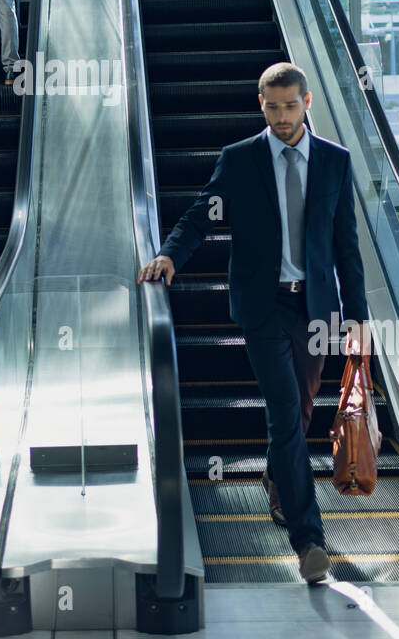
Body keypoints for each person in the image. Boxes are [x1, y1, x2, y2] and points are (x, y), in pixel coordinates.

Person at [138, 63, 371, 585]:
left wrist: (357, 318)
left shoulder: (335, 162)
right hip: (262, 307)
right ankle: (309, 540)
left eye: (291, 106)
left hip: (314, 309)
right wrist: (170, 255)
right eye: (273, 107)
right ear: (260, 103)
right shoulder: (240, 161)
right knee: (286, 414)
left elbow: (346, 248)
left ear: (307, 103)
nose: (282, 117)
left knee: (305, 405)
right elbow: (202, 214)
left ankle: (276, 476)